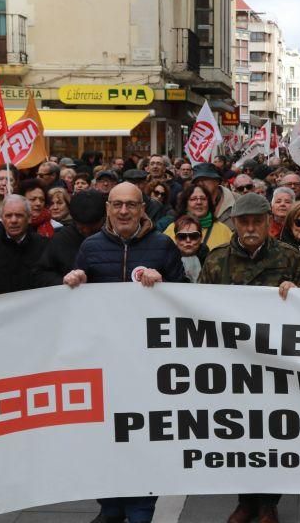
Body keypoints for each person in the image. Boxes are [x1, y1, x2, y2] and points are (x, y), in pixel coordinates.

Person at [63, 182, 186, 523]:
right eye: (117, 204)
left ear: (143, 207)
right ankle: (110, 505)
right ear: (107, 209)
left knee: (144, 435)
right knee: (106, 436)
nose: (123, 211)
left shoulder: (162, 246)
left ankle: (141, 507)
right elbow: (77, 299)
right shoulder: (90, 247)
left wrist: (165, 284)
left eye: (131, 205)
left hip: (149, 363)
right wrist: (75, 280)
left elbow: (186, 297)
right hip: (104, 361)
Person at [198, 192, 300, 523]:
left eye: (257, 222)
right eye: (244, 222)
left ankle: (268, 502)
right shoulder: (216, 260)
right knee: (239, 433)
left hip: (277, 366)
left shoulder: (290, 258)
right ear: (234, 223)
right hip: (233, 364)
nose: (250, 228)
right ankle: (245, 500)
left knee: (273, 433)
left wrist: (298, 293)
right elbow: (196, 306)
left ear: (269, 223)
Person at [0, 195, 49, 295]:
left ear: (29, 218)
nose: (13, 220)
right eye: (8, 216)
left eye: (19, 215)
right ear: (2, 219)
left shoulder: (45, 246)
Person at [35, 190, 106, 286]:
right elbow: (42, 273)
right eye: (81, 227)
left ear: (103, 218)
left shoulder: (115, 237)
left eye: (92, 228)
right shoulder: (61, 239)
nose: (86, 231)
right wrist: (64, 282)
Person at [162, 183, 232, 250]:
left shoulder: (224, 230)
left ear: (209, 203)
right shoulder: (172, 229)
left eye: (203, 199)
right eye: (193, 199)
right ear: (185, 204)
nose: (199, 202)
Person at [193, 163, 237, 230]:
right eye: (197, 181)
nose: (200, 183)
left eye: (205, 179)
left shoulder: (237, 200)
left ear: (217, 181)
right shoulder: (190, 204)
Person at [171, 215, 208, 282]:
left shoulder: (211, 261)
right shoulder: (166, 262)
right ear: (176, 239)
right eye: (182, 236)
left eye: (193, 236)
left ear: (200, 238)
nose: (188, 240)